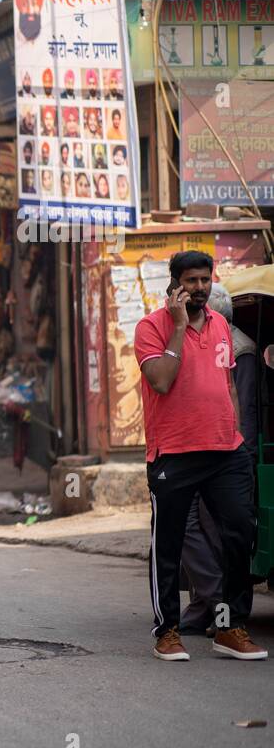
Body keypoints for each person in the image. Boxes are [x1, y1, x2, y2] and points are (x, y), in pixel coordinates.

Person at [134, 251, 266, 661]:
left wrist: (237, 432)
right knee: (170, 544)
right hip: (174, 452)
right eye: (190, 281)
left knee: (240, 532)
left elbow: (226, 382)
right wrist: (177, 328)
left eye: (205, 280)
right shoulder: (150, 328)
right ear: (174, 285)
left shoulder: (222, 325)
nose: (199, 288)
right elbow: (161, 380)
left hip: (225, 451)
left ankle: (229, 628)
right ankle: (167, 631)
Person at [179, 284, 259, 637]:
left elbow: (242, 409)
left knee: (209, 532)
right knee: (193, 529)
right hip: (193, 450)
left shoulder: (236, 349)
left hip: (223, 454)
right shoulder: (201, 341)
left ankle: (216, 606)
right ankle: (204, 607)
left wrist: (241, 455)